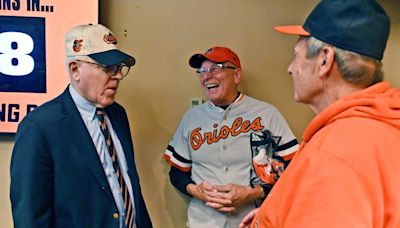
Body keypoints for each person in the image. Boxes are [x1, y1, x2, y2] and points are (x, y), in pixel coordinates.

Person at [240, 0, 400, 227]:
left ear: (324, 60)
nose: (290, 68)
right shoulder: (382, 125)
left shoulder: (336, 154)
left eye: (297, 55)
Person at [10, 24, 152, 228]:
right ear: (75, 69)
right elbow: (30, 217)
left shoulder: (118, 114)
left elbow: (129, 187)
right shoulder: (40, 126)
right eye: (107, 68)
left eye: (119, 68)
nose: (118, 76)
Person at [164, 46, 299, 227]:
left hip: (254, 220)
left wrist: (255, 192)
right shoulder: (191, 118)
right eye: (202, 71)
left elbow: (294, 167)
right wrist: (197, 191)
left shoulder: (267, 114)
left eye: (215, 68)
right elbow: (177, 173)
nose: (207, 76)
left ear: (236, 75)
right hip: (203, 222)